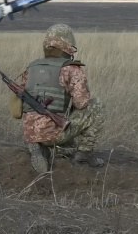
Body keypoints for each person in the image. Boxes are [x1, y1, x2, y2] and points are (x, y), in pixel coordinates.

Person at [11, 24, 105, 173]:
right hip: (54, 133)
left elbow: (17, 109)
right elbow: (82, 104)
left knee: (66, 145)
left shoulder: (31, 68)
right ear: (66, 44)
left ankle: (38, 145)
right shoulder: (71, 69)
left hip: (30, 132)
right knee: (96, 105)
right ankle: (84, 153)